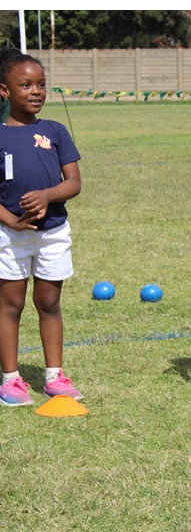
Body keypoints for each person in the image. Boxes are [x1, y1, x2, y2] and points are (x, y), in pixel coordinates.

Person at [0, 51, 84, 407]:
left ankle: (54, 376)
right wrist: (10, 221)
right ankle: (10, 380)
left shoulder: (55, 130)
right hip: (9, 236)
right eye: (25, 85)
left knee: (49, 302)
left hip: (53, 233)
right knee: (10, 305)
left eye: (41, 84)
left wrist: (48, 195)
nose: (36, 91)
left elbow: (74, 182)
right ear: (4, 90)